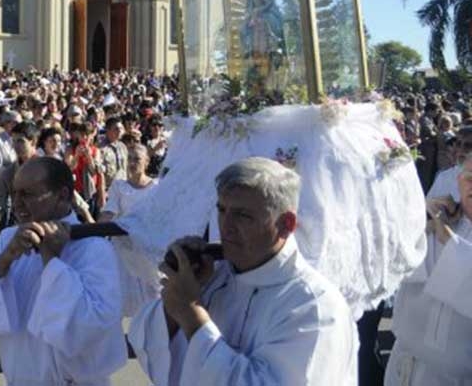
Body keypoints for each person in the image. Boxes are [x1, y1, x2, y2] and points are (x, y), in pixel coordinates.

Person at [128, 157, 358, 386]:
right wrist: (176, 299)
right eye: (222, 210)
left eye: (243, 215)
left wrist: (191, 315)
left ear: (286, 224)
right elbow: (144, 342)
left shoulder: (314, 307)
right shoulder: (214, 274)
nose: (225, 226)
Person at [0, 157, 127, 386]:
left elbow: (91, 327)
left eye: (28, 194)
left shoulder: (94, 248)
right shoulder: (7, 240)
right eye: (14, 193)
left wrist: (51, 260)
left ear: (62, 195)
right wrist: (4, 261)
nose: (17, 203)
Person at [384, 167, 472, 384]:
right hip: (404, 365)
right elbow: (394, 267)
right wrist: (418, 221)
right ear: (458, 180)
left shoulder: (445, 233)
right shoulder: (438, 219)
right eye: (470, 178)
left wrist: (450, 243)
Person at [99, 143, 159, 317]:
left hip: (147, 251)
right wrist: (93, 231)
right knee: (123, 301)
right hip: (123, 251)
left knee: (152, 302)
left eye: (137, 159)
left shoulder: (157, 186)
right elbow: (109, 212)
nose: (132, 163)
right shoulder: (119, 186)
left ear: (146, 161)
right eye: (130, 159)